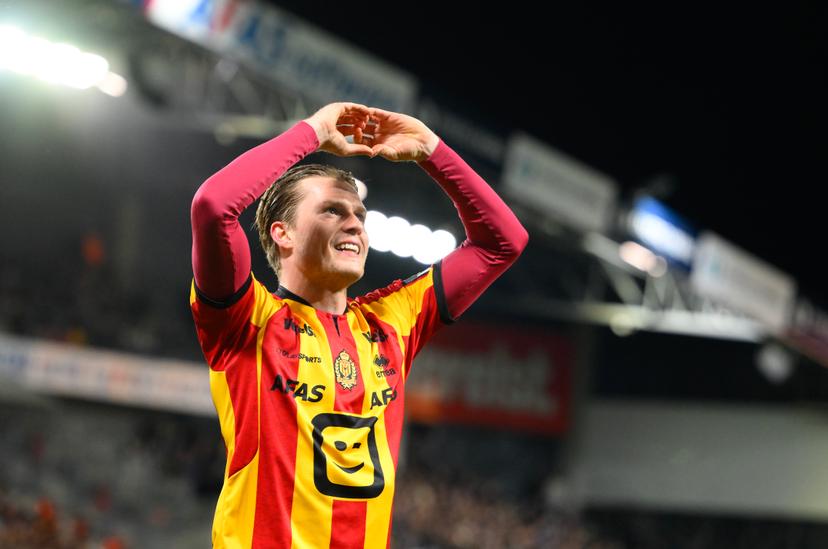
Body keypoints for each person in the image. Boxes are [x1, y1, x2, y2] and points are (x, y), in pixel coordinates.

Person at [190, 102, 528, 548]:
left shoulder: (393, 319)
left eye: (360, 216)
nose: (354, 225)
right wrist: (312, 132)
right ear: (282, 233)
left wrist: (432, 150)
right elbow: (214, 206)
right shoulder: (246, 320)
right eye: (332, 211)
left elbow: (504, 243)